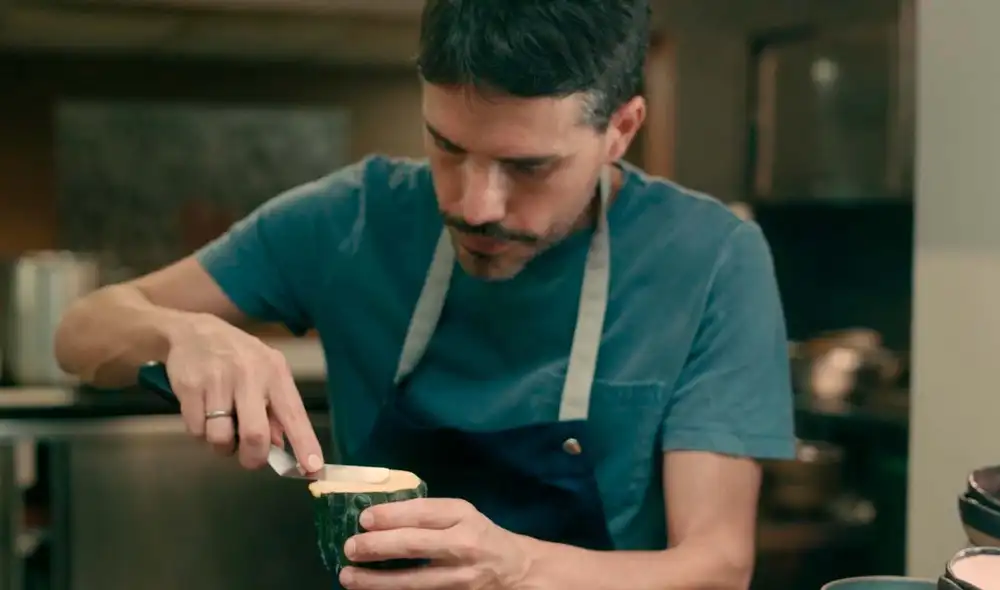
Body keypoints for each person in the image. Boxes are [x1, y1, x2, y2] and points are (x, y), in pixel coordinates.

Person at [54, 1, 795, 589]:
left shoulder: (710, 259)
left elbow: (715, 567)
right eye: (446, 146)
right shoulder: (347, 220)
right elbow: (83, 333)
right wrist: (183, 336)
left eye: (528, 166)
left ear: (620, 130)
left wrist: (517, 567)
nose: (475, 205)